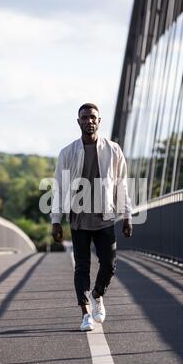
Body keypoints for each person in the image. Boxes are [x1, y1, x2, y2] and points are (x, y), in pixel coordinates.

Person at [51, 103, 132, 331]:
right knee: (82, 267)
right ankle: (85, 313)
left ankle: (97, 294)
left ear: (99, 120)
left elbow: (122, 184)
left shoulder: (113, 150)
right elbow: (59, 187)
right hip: (78, 220)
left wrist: (127, 215)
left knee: (109, 264)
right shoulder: (67, 153)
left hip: (104, 217)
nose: (89, 121)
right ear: (78, 122)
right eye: (84, 117)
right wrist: (56, 221)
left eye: (93, 117)